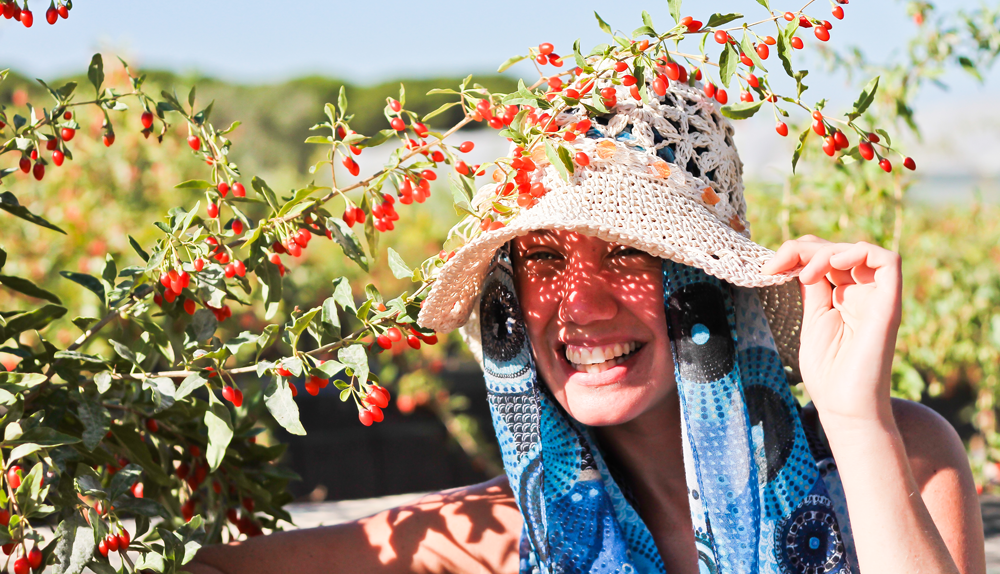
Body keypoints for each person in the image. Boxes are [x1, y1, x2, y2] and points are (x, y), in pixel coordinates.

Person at [189, 77, 984, 574]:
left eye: (630, 251)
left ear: (704, 277)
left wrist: (854, 416)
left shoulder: (898, 459)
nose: (581, 303)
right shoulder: (495, 536)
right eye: (539, 260)